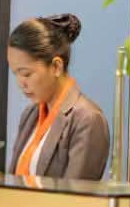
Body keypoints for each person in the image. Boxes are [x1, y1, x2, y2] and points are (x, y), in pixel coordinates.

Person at [6, 13, 110, 180]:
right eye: (15, 74)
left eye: (26, 74)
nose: (20, 83)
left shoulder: (88, 120)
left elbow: (75, 192)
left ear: (56, 67)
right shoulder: (30, 114)